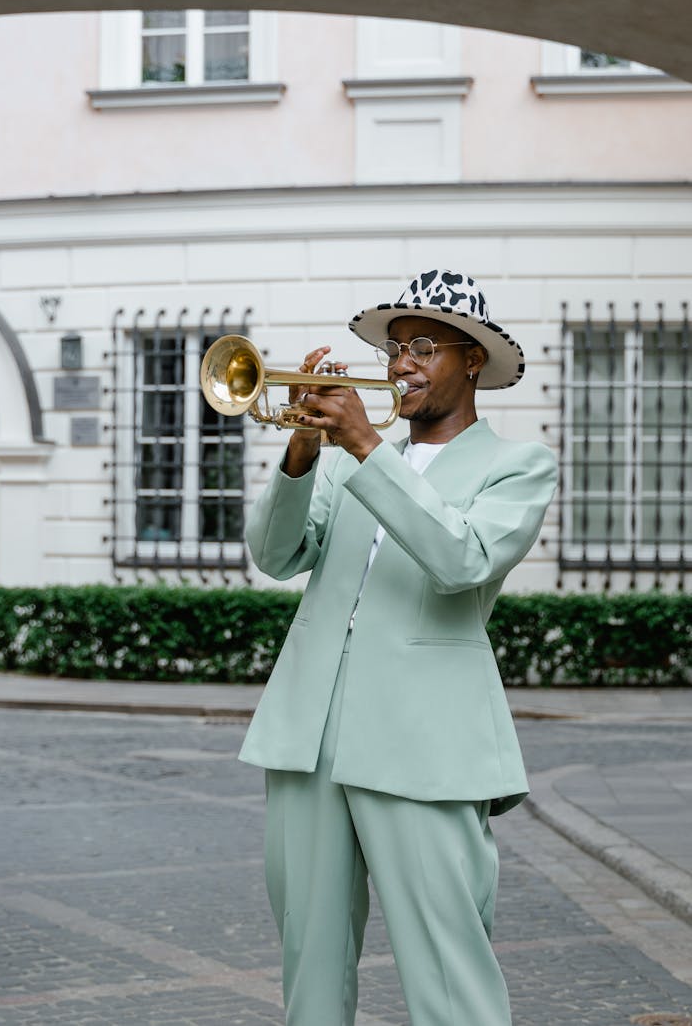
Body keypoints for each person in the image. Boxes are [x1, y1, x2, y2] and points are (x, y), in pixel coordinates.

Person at [238, 269, 557, 1025]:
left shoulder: (517, 466)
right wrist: (302, 456)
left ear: (472, 359)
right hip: (307, 736)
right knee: (308, 971)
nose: (402, 363)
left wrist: (366, 445)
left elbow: (463, 560)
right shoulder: (343, 459)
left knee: (450, 974)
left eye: (423, 346)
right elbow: (276, 555)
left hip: (424, 745)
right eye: (394, 348)